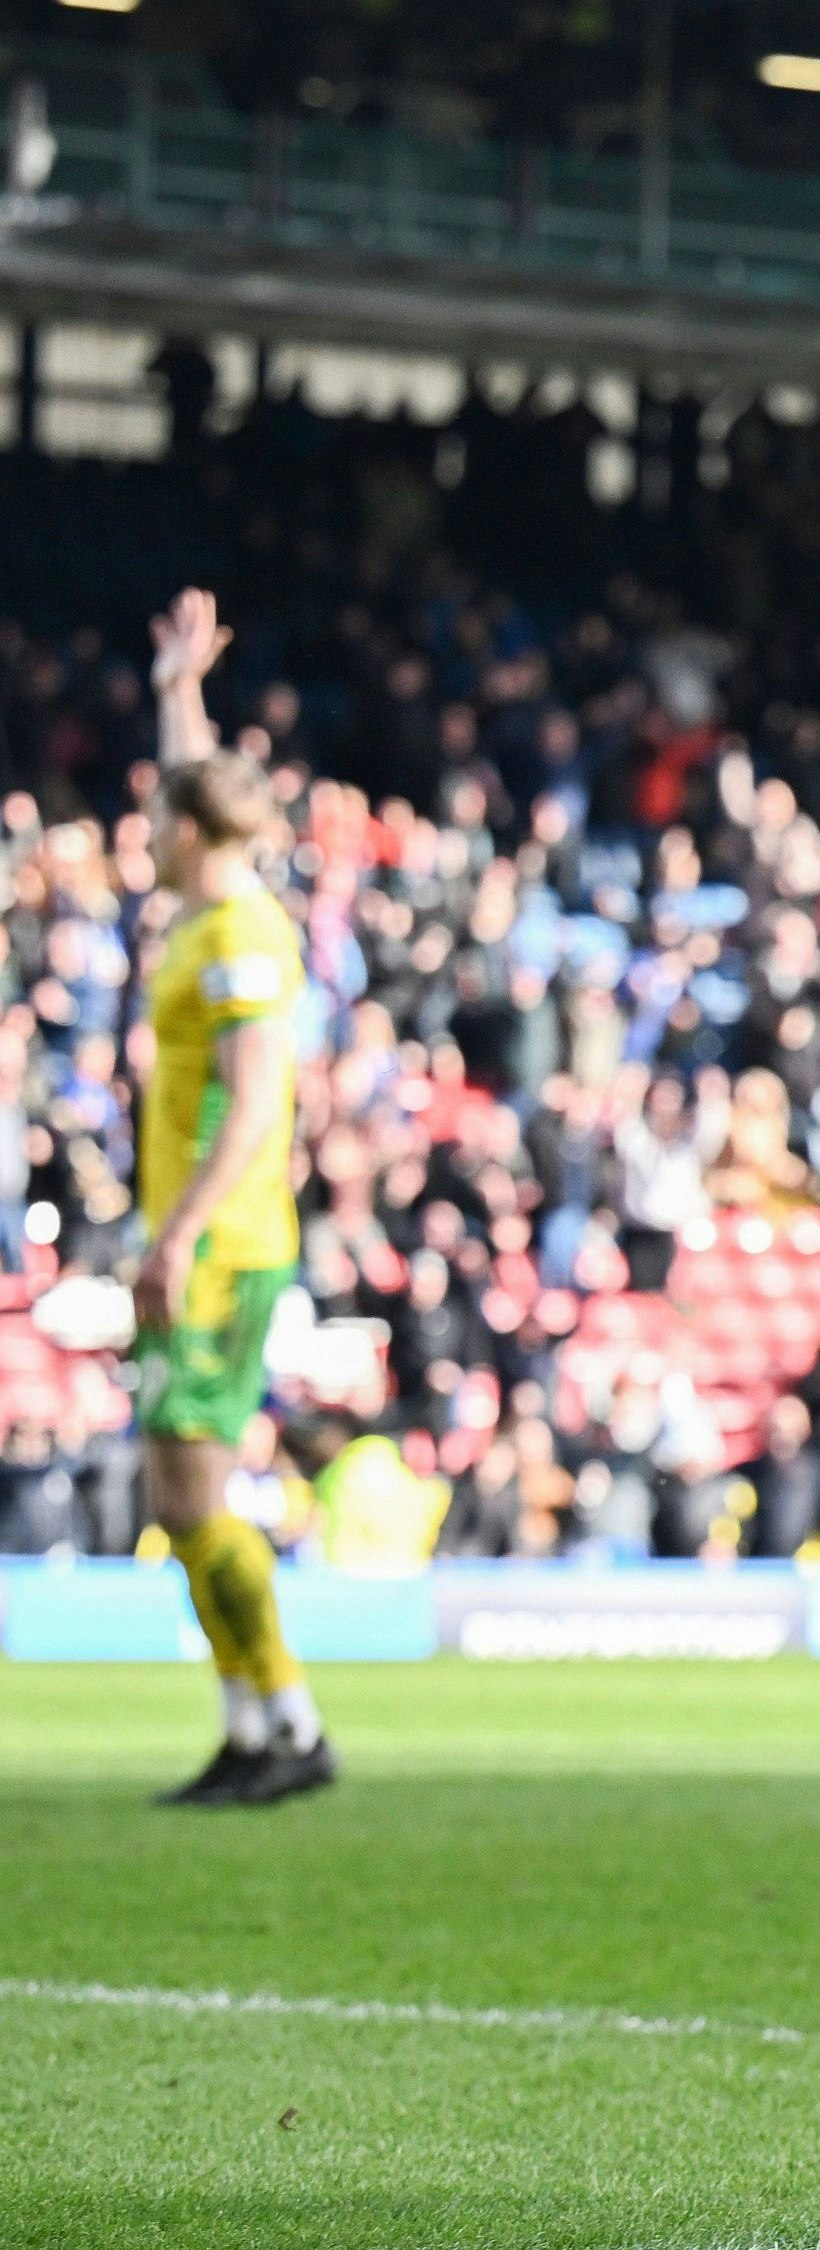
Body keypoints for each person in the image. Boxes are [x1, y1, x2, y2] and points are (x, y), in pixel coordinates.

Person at [132, 590, 340, 1807]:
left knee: (195, 1494)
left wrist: (181, 1230)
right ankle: (249, 1725)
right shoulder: (210, 910)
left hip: (221, 1245)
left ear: (189, 832)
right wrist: (177, 693)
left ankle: (292, 1723)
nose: (144, 823)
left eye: (160, 813)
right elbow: (191, 782)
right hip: (196, 1241)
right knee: (177, 1497)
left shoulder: (243, 939)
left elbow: (259, 1103)